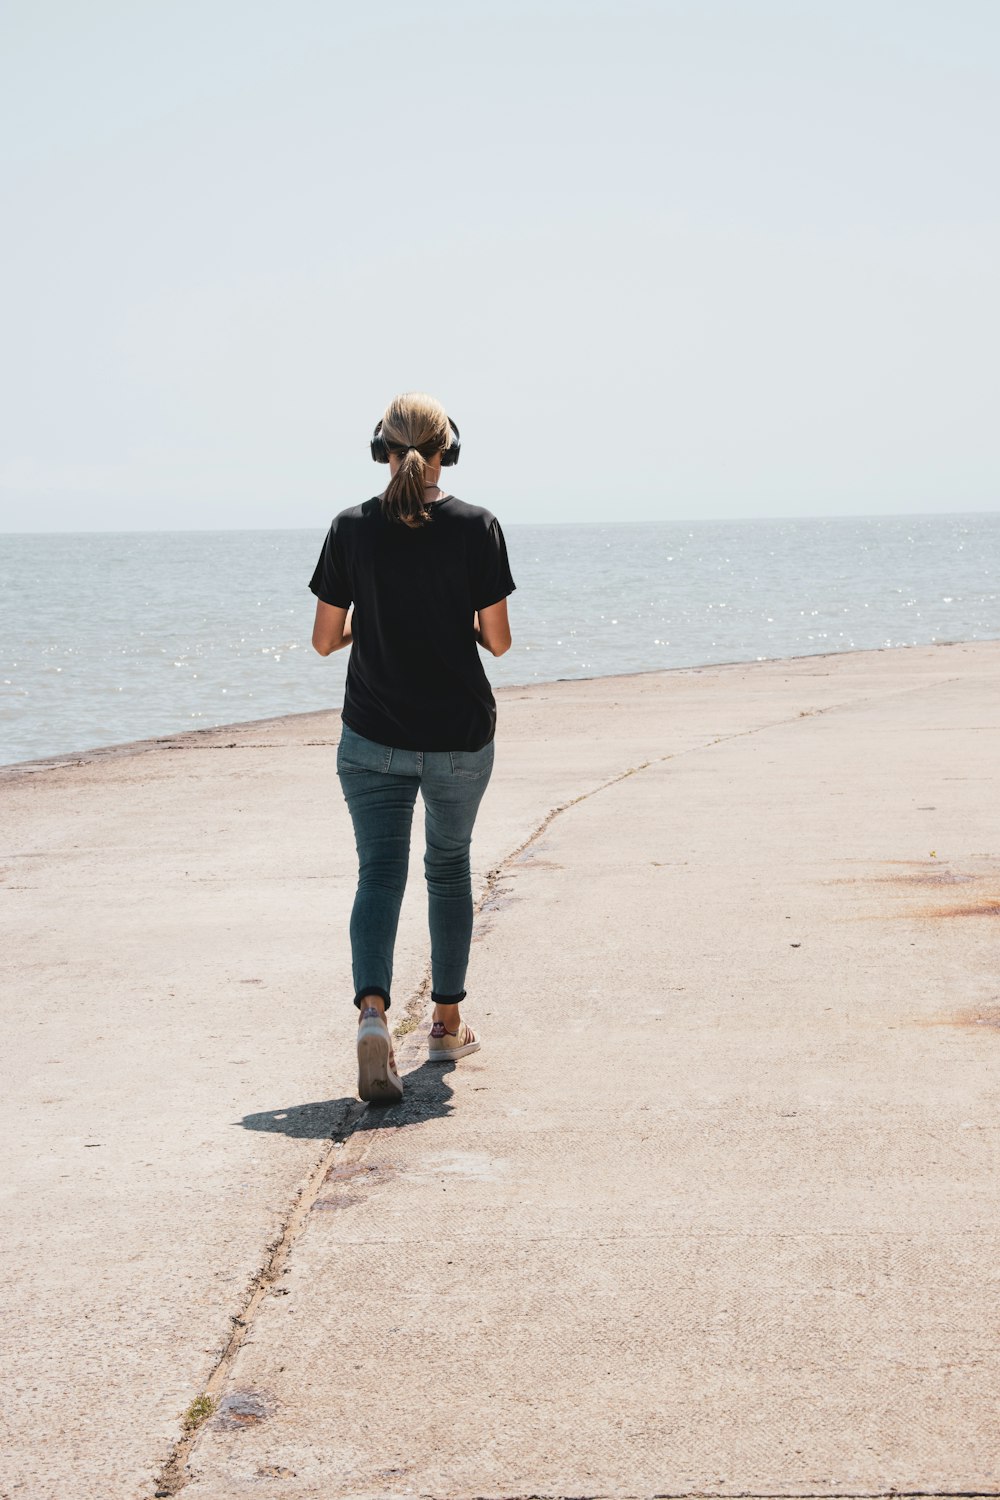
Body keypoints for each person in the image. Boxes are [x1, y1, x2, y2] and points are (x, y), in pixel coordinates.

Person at [309, 392, 516, 1105]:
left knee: (379, 875)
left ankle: (372, 1016)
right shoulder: (477, 525)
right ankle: (447, 1024)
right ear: (447, 450)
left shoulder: (349, 528)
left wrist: (378, 622)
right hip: (458, 736)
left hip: (372, 736)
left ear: (381, 449)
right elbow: (498, 640)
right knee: (448, 868)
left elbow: (324, 640)